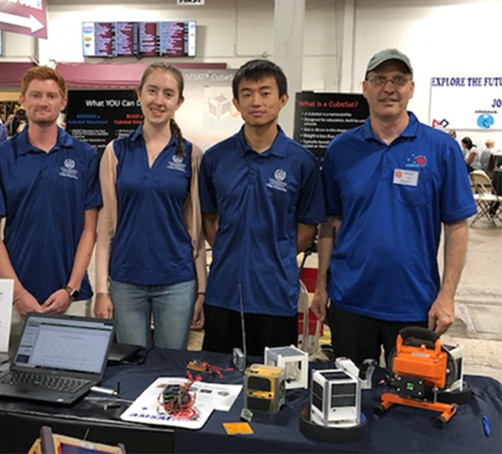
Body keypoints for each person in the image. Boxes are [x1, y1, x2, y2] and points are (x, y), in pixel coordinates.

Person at [312, 48, 477, 367]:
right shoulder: (341, 149)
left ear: (411, 88)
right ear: (365, 87)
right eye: (379, 79)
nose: (389, 88)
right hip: (350, 301)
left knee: (410, 405)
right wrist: (321, 287)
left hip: (415, 304)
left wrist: (447, 297)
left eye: (398, 79)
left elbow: (456, 226)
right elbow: (330, 223)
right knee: (348, 401)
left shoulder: (440, 149)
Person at [198, 59, 326, 356]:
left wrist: (272, 255)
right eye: (247, 93)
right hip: (224, 293)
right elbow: (209, 218)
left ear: (282, 99)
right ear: (236, 103)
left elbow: (308, 229)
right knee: (217, 381)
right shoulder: (216, 159)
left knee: (273, 387)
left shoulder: (302, 162)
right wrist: (234, 252)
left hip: (276, 295)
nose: (256, 101)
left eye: (265, 93)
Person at [94, 63, 206, 349]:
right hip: (126, 279)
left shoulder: (192, 155)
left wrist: (202, 289)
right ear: (139, 94)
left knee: (170, 369)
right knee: (131, 366)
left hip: (177, 281)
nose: (159, 100)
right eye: (152, 91)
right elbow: (105, 226)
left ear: (179, 102)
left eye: (168, 94)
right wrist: (101, 290)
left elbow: (195, 229)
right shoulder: (116, 151)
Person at [0, 66, 101, 326]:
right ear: (22, 100)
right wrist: (18, 293)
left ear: (63, 102)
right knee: (5, 367)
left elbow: (90, 229)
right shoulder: (0, 158)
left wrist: (71, 289)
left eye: (51, 96)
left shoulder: (85, 155)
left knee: (71, 366)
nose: (43, 102)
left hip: (71, 298)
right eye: (35, 95)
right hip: (14, 297)